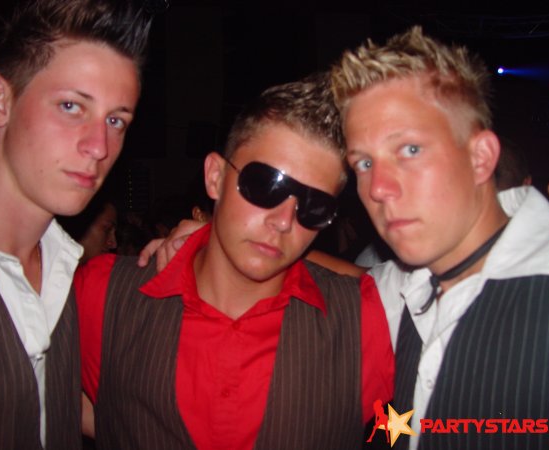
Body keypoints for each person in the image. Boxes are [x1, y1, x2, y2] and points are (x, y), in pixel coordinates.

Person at [75, 73, 394, 449]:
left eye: (314, 206)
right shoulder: (102, 294)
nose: (283, 221)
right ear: (215, 176)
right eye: (266, 185)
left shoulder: (364, 319)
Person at [331, 26, 549, 449]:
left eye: (410, 150)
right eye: (364, 163)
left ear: (481, 157)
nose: (378, 188)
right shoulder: (407, 285)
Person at [0, 0, 154, 448]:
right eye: (71, 106)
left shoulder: (63, 269)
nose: (99, 146)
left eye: (116, 120)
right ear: (0, 100)